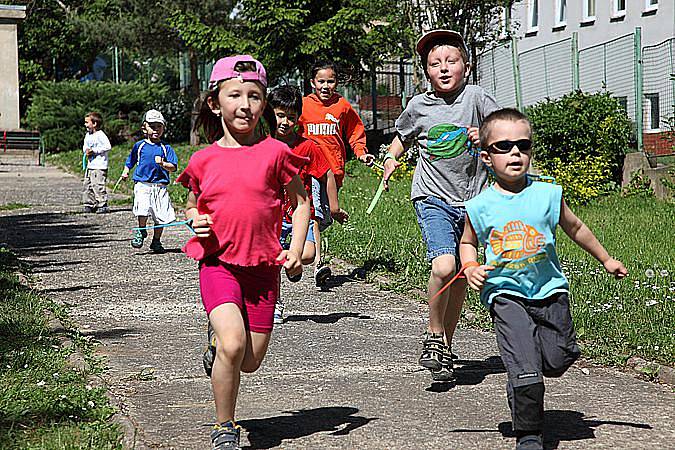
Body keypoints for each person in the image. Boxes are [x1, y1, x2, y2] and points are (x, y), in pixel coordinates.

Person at [460, 108, 628, 450]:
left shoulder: (548, 194)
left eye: (523, 145)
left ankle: (527, 377)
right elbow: (467, 242)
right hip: (506, 294)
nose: (515, 153)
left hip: (550, 291)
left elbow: (576, 227)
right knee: (525, 367)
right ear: (487, 157)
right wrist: (471, 267)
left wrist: (607, 259)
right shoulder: (480, 206)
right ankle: (529, 432)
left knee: (557, 359)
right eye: (503, 146)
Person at [176, 55, 310, 450]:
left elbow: (302, 204)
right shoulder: (203, 159)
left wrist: (296, 249)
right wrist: (194, 219)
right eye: (235, 95)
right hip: (218, 264)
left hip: (264, 269)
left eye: (254, 96)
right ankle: (224, 426)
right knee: (233, 343)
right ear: (216, 103)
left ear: (264, 104)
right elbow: (191, 204)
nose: (245, 104)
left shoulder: (275, 153)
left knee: (248, 360)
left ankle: (215, 348)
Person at [381, 29, 499, 381]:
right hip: (432, 197)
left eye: (451, 61)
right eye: (435, 64)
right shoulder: (418, 106)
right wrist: (391, 158)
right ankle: (434, 336)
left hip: (474, 200)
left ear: (466, 65)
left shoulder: (477, 97)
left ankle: (444, 348)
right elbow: (401, 138)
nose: (444, 68)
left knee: (462, 276)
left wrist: (488, 135)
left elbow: (506, 132)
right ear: (426, 71)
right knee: (445, 266)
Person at [299, 60, 374, 286]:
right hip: (309, 169)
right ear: (312, 83)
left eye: (330, 81)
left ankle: (299, 239)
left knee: (325, 217)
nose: (325, 85)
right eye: (320, 81)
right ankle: (318, 263)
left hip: (334, 170)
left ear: (336, 83)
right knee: (315, 214)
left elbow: (355, 131)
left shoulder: (342, 106)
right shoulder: (303, 105)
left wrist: (360, 153)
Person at [268, 85, 337, 323]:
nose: (286, 122)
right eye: (280, 115)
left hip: (299, 214)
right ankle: (275, 303)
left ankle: (293, 265)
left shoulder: (307, 147)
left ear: (298, 118)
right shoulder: (262, 144)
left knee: (307, 256)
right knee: (272, 263)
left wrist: (334, 206)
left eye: (291, 117)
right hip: (272, 217)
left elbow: (325, 173)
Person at [121, 109, 178, 253]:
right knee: (142, 208)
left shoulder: (166, 148)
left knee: (161, 215)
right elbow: (131, 160)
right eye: (152, 126)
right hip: (143, 183)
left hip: (160, 186)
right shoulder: (139, 146)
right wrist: (126, 171)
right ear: (144, 127)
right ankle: (141, 230)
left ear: (163, 128)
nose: (156, 130)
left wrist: (163, 164)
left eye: (159, 126)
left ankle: (156, 241)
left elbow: (173, 167)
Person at [82, 112, 112, 214]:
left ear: (94, 123)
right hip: (90, 166)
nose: (85, 125)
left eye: (87, 122)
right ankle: (89, 203)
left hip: (99, 166)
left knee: (98, 185)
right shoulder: (88, 135)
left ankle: (102, 204)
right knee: (88, 185)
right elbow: (85, 146)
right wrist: (86, 150)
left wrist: (95, 150)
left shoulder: (100, 135)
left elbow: (108, 147)